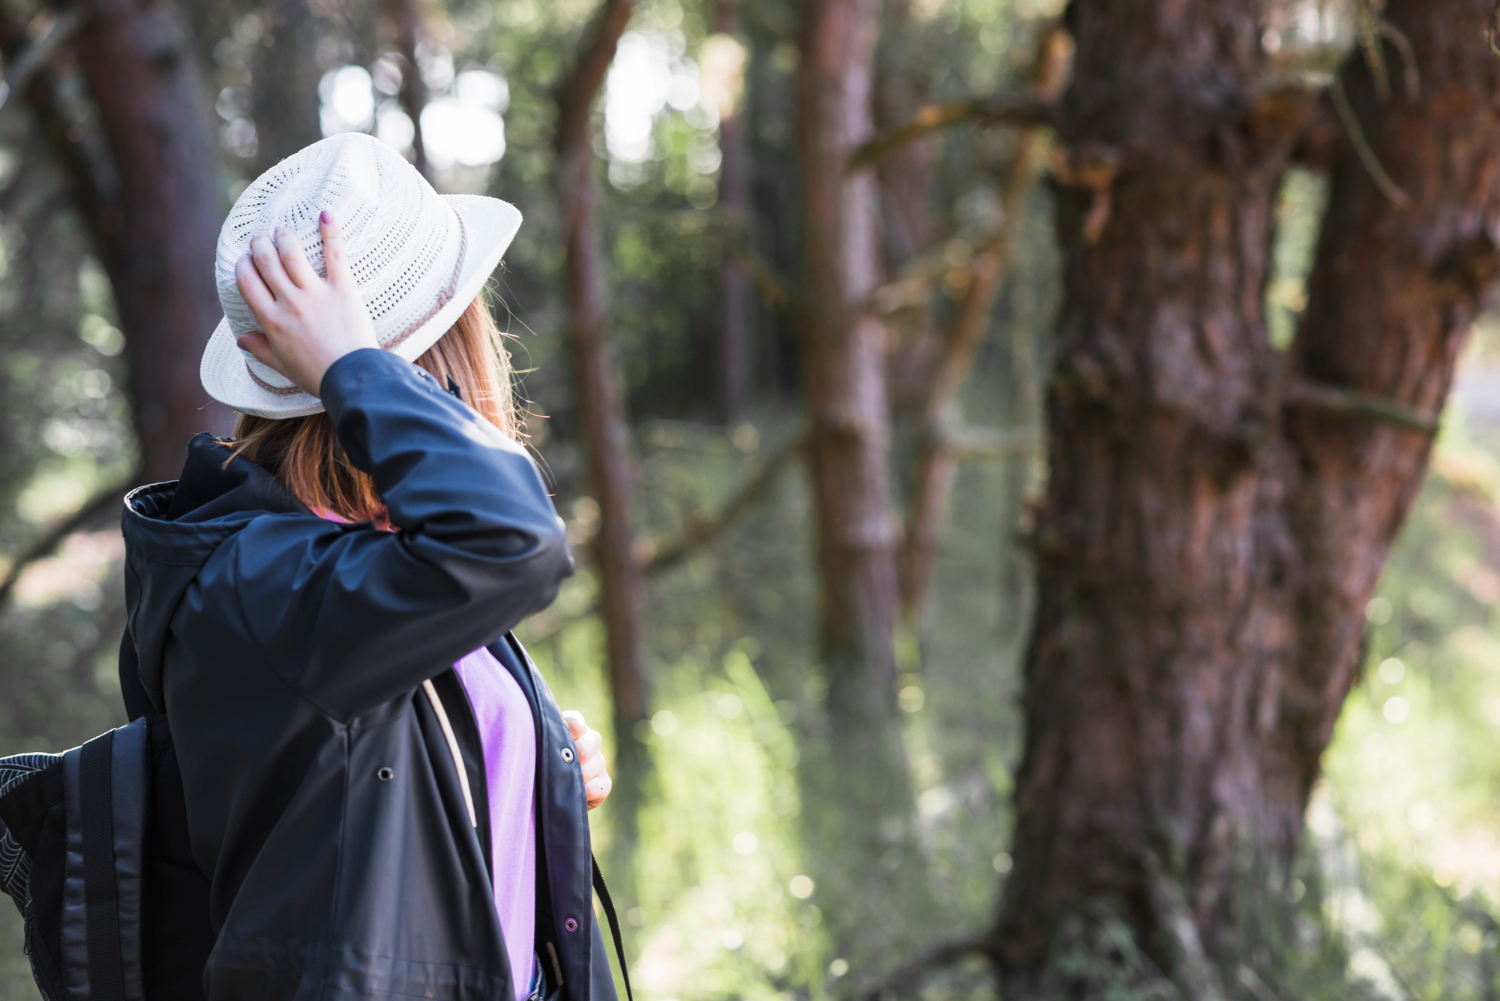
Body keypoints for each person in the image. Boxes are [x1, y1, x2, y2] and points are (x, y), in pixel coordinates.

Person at [117, 132, 619, 1001]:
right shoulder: (264, 580)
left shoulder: (360, 543)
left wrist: (529, 761)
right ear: (444, 354)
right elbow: (519, 540)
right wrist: (359, 365)